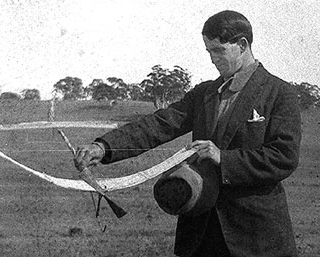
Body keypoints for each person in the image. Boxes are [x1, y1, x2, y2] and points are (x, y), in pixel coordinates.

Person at [74, 10, 301, 257]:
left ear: (242, 44)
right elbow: (158, 125)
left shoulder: (280, 93)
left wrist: (223, 158)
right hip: (199, 234)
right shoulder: (204, 93)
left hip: (255, 238)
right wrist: (104, 147)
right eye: (208, 52)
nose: (213, 59)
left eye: (218, 50)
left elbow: (284, 157)